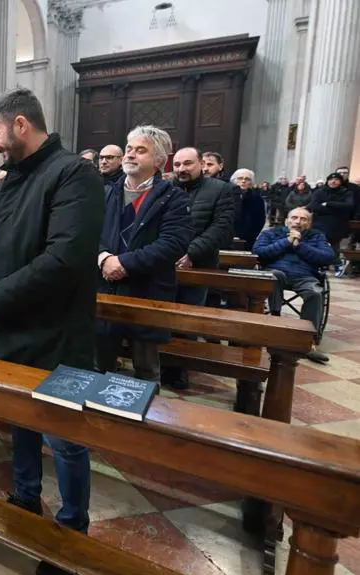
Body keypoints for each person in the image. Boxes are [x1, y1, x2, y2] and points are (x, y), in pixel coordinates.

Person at [0, 88, 104, 575]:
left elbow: (65, 260)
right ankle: (26, 496)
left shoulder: (75, 175)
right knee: (21, 422)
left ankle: (71, 533)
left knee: (65, 439)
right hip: (13, 328)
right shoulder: (12, 180)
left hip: (57, 334)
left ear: (20, 124)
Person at [95, 126, 192, 383]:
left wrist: (124, 263)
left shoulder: (173, 198)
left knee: (146, 371)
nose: (131, 155)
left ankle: (141, 423)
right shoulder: (106, 192)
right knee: (98, 365)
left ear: (159, 160)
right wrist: (104, 258)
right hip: (106, 289)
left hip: (148, 291)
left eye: (141, 151)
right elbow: (89, 232)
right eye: (129, 149)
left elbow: (173, 244)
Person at [162, 147, 234, 389]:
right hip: (165, 263)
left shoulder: (221, 189)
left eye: (188, 164)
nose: (181, 169)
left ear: (201, 164)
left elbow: (221, 228)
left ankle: (179, 370)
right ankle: (160, 363)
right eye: (177, 165)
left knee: (186, 320)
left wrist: (191, 252)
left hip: (198, 265)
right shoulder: (166, 187)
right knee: (161, 316)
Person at [253, 207, 335, 364]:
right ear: (287, 220)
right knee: (273, 277)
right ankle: (274, 323)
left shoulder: (317, 236)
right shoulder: (271, 233)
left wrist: (299, 245)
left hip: (305, 276)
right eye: (294, 217)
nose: (298, 221)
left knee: (315, 293)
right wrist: (286, 241)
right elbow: (259, 251)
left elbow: (327, 257)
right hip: (277, 271)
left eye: (303, 219)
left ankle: (306, 340)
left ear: (309, 223)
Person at [307, 172, 354, 262]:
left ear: (340, 182)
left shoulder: (346, 192)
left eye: (336, 180)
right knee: (319, 243)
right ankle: (319, 262)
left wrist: (329, 204)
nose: (333, 181)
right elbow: (314, 206)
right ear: (327, 181)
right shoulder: (320, 192)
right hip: (320, 223)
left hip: (337, 224)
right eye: (331, 179)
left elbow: (348, 206)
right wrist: (335, 209)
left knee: (334, 245)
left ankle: (334, 263)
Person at [230, 168, 266, 249]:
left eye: (247, 179)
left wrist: (249, 236)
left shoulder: (257, 199)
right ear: (233, 180)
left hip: (247, 239)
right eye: (240, 178)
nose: (243, 181)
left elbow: (260, 221)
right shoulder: (225, 195)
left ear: (251, 183)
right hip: (225, 237)